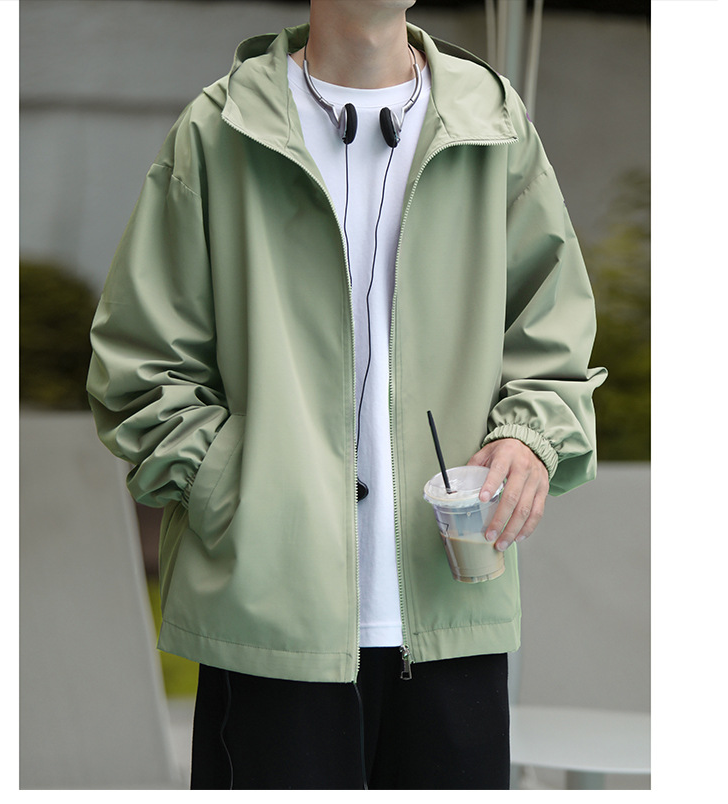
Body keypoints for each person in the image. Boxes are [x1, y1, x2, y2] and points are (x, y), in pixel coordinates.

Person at [87, 0, 606, 790]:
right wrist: (233, 487)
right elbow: (140, 363)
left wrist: (530, 437)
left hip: (452, 603)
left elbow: (553, 334)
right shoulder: (220, 130)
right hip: (268, 609)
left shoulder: (493, 123)